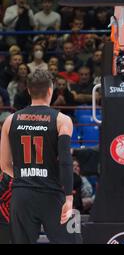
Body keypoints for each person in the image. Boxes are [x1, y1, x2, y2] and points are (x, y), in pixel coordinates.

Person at [0, 70, 80, 244]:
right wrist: (69, 197)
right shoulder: (62, 120)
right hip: (54, 194)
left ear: (28, 90)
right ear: (50, 90)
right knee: (73, 240)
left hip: (21, 195)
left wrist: (27, 176)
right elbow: (66, 161)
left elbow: (4, 165)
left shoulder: (10, 121)